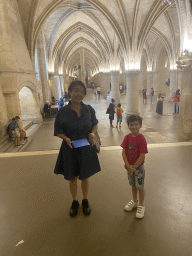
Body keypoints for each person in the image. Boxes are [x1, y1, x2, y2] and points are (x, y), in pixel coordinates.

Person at [54, 80, 101, 217]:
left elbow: (95, 124)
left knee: (85, 177)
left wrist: (92, 133)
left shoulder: (88, 109)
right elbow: (58, 131)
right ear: (69, 92)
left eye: (82, 91)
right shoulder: (62, 112)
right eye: (76, 90)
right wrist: (66, 138)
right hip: (70, 148)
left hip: (86, 147)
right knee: (73, 177)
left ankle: (85, 200)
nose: (79, 94)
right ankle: (75, 201)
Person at [121, 114, 148, 219]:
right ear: (128, 126)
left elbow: (142, 156)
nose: (133, 127)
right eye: (131, 125)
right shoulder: (127, 138)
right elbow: (123, 152)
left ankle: (141, 204)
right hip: (129, 168)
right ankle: (134, 201)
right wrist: (128, 166)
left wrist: (133, 168)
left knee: (140, 186)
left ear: (140, 125)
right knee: (133, 185)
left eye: (136, 124)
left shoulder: (142, 139)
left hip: (139, 168)